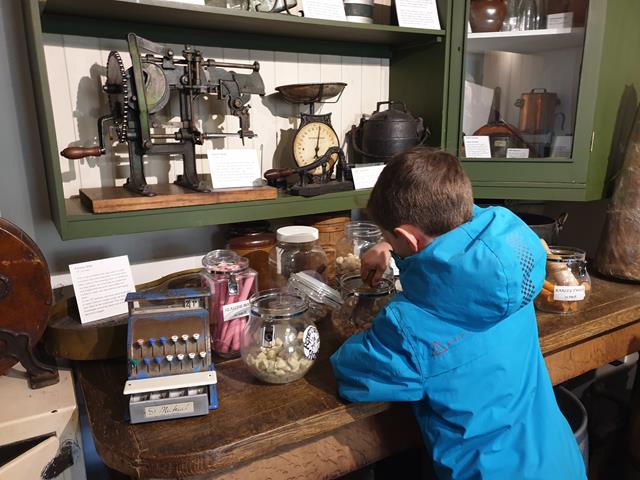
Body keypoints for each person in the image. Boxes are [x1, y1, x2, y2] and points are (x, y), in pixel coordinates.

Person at [330, 147, 587, 480]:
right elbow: (457, 230)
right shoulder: (511, 265)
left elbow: (352, 375)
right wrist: (394, 247)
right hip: (559, 460)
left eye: (388, 234)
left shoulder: (408, 327)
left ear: (409, 237)